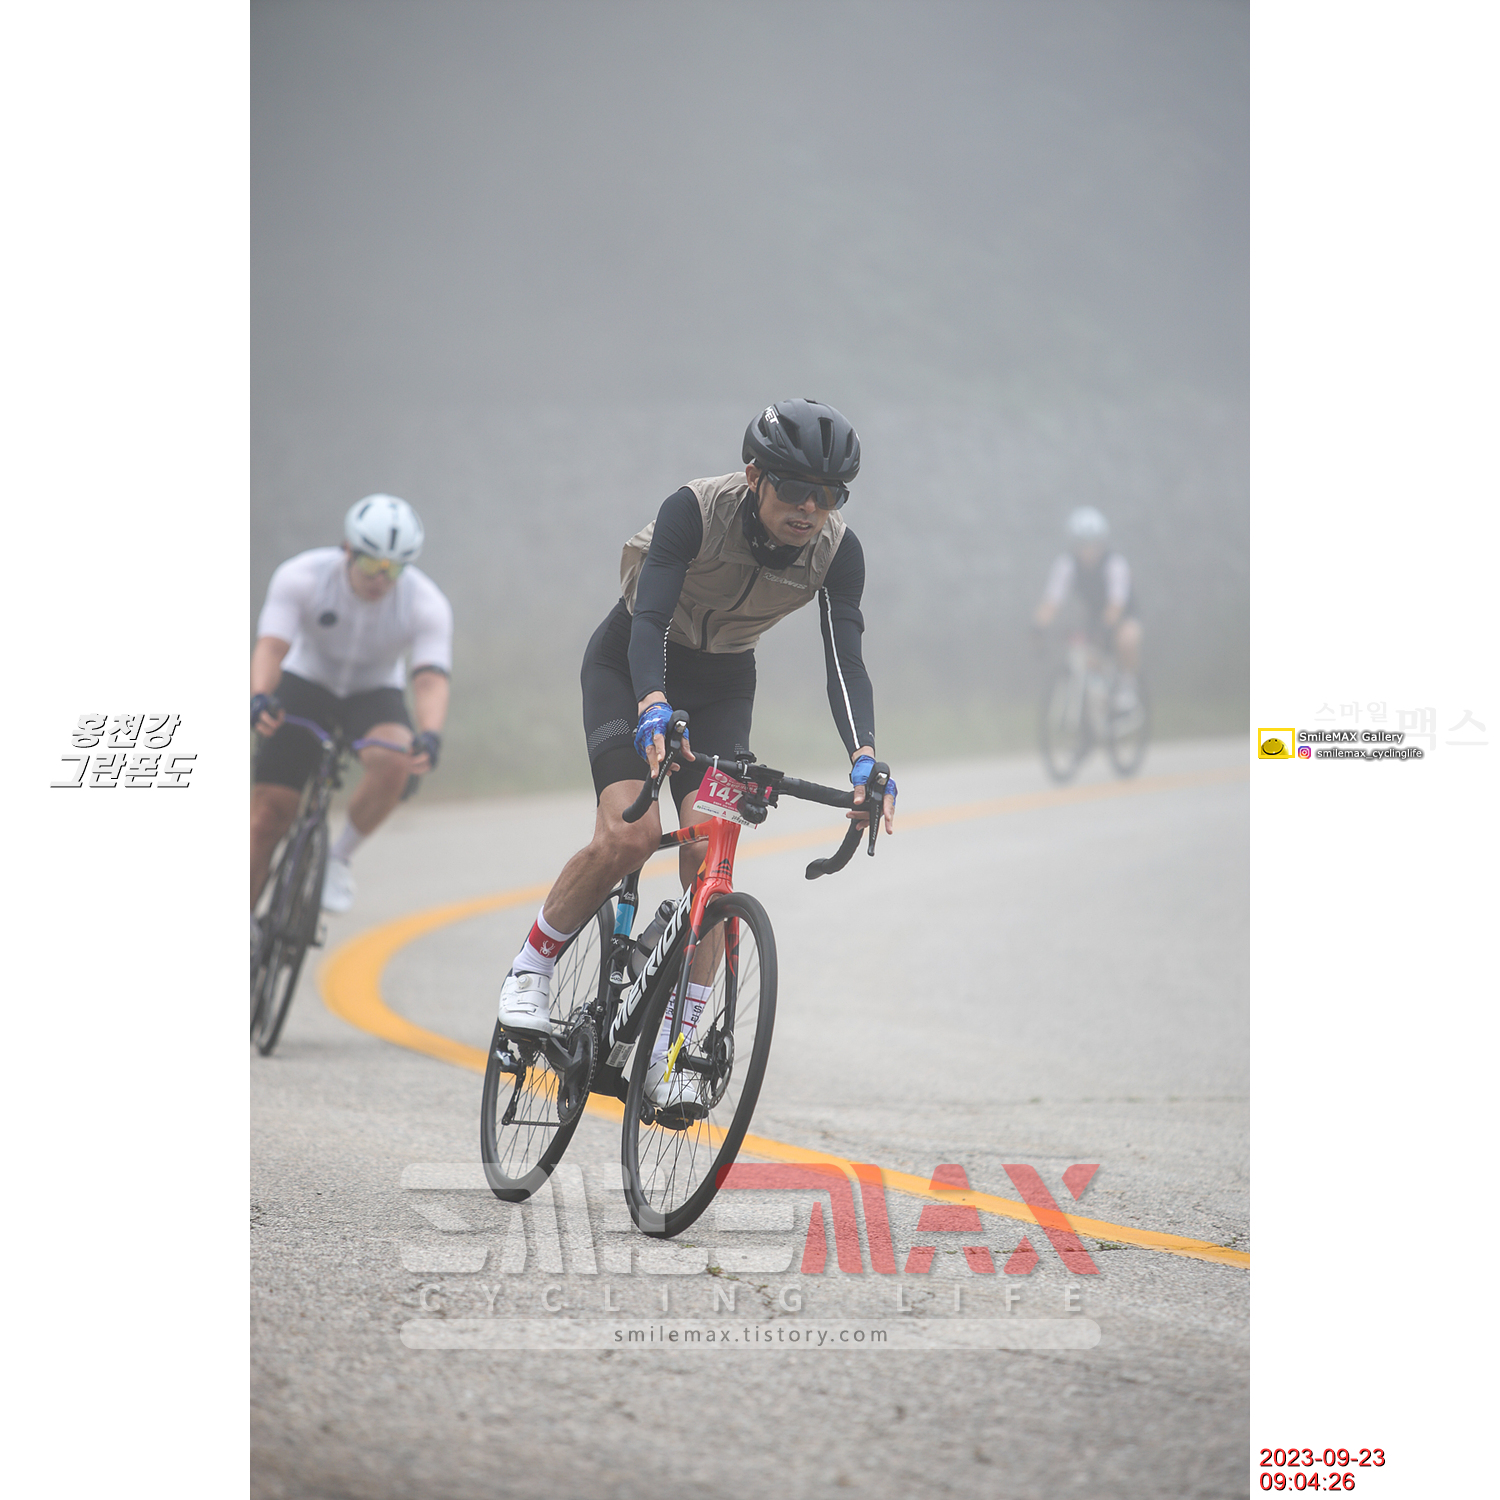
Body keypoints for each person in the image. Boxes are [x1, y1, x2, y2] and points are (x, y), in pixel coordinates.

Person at [495, 400, 897, 1106]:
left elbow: (845, 661)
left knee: (712, 854)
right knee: (630, 836)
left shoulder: (838, 551)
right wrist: (651, 702)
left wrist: (864, 757)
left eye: (829, 494)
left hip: (722, 686)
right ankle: (531, 969)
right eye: (794, 488)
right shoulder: (695, 510)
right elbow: (649, 616)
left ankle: (669, 1053)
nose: (810, 508)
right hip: (632, 666)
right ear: (754, 475)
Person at [251, 494, 453, 927]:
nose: (381, 578)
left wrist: (430, 733)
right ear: (347, 549)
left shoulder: (426, 602)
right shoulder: (302, 576)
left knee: (398, 759)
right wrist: (260, 695)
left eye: (393, 569)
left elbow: (430, 677)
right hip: (305, 681)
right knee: (267, 819)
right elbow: (272, 646)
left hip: (373, 691)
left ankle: (338, 858)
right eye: (371, 564)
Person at [1032, 506, 1143, 705]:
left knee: (1127, 639)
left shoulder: (1115, 564)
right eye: (1083, 544)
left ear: (1102, 543)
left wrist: (1104, 628)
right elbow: (1052, 601)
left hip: (1123, 614)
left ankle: (1128, 687)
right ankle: (1094, 701)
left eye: (1094, 544)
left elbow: (1116, 603)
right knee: (1086, 657)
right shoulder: (1066, 564)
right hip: (1094, 616)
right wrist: (1038, 627)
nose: (1089, 550)